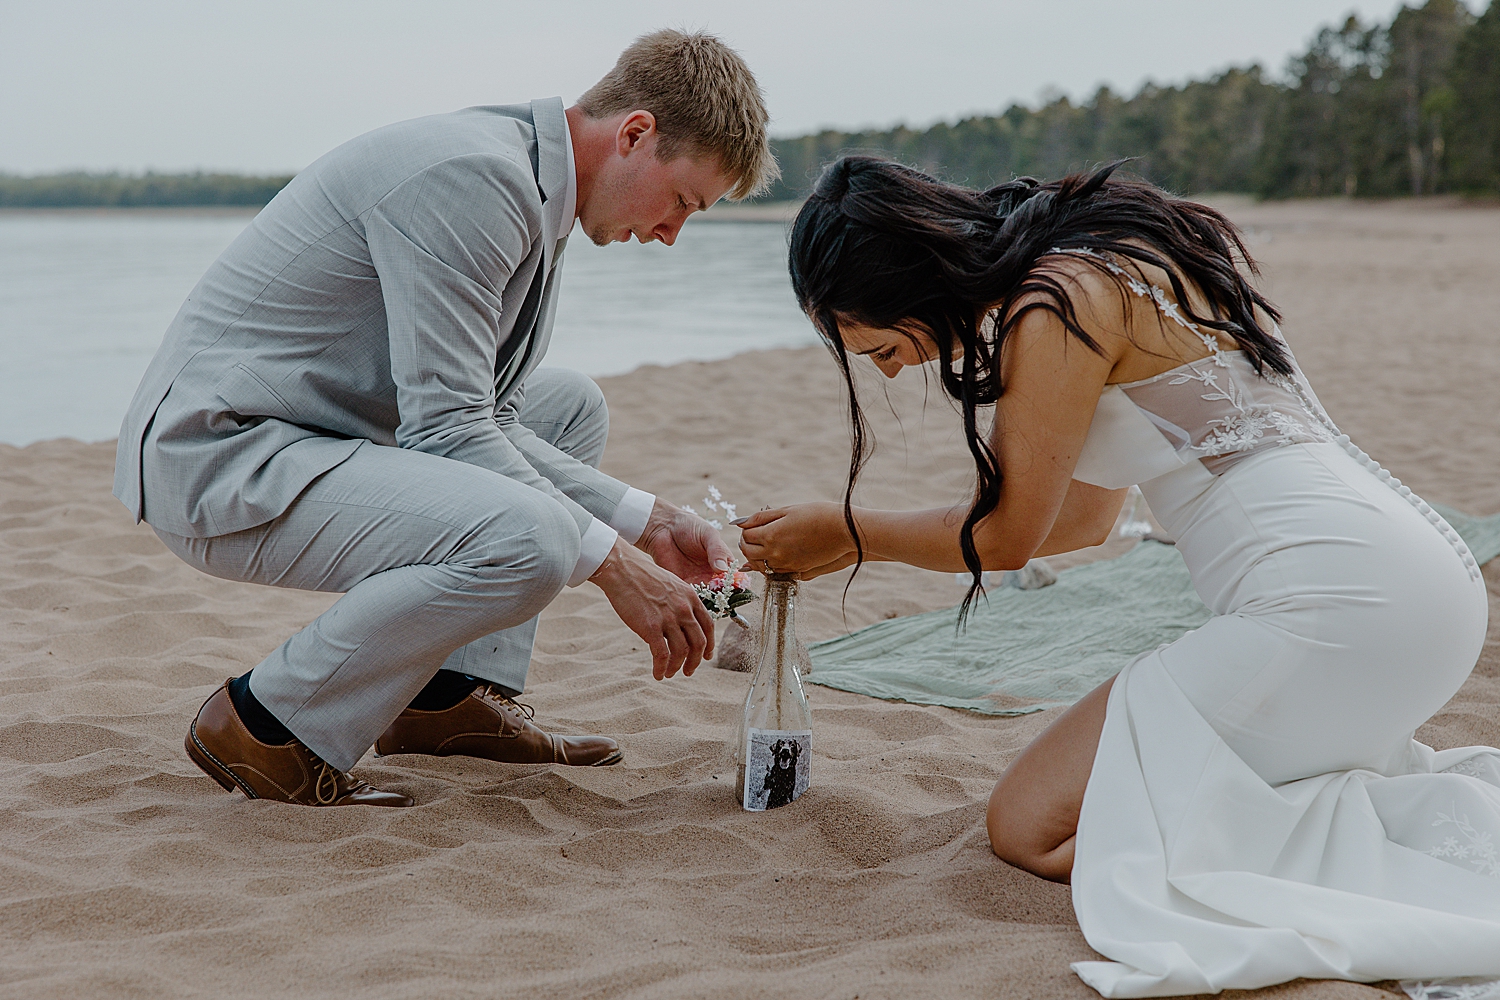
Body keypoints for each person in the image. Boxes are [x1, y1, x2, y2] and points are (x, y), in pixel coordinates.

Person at [736, 156, 1500, 995]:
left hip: (1331, 611)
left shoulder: (1050, 305)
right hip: (1424, 590)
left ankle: (1320, 869)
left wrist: (844, 534)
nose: (890, 372)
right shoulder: (1113, 253)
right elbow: (1085, 519)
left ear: (915, 279)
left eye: (883, 347)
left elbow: (1007, 538)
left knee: (1027, 825)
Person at [113, 30, 778, 808]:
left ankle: (442, 699)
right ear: (636, 134)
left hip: (312, 434)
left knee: (567, 408)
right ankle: (269, 724)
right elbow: (449, 433)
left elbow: (480, 414)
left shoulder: (531, 177)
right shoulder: (475, 178)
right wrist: (614, 562)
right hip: (221, 461)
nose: (672, 233)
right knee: (534, 539)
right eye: (683, 203)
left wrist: (649, 521)